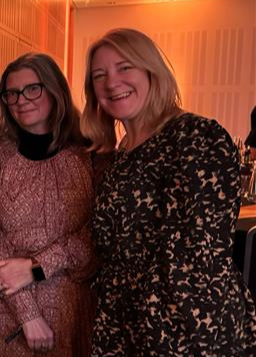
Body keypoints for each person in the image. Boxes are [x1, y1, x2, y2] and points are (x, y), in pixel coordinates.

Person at [82, 28, 256, 356]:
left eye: (125, 67)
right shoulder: (119, 153)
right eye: (99, 75)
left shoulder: (195, 136)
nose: (111, 82)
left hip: (183, 331)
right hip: (121, 326)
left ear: (151, 70)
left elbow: (197, 261)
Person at [0, 53, 96, 357]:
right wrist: (29, 314)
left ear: (55, 90)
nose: (21, 100)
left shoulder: (88, 156)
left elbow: (92, 242)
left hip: (67, 312)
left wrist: (36, 268)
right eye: (11, 93)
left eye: (33, 89)